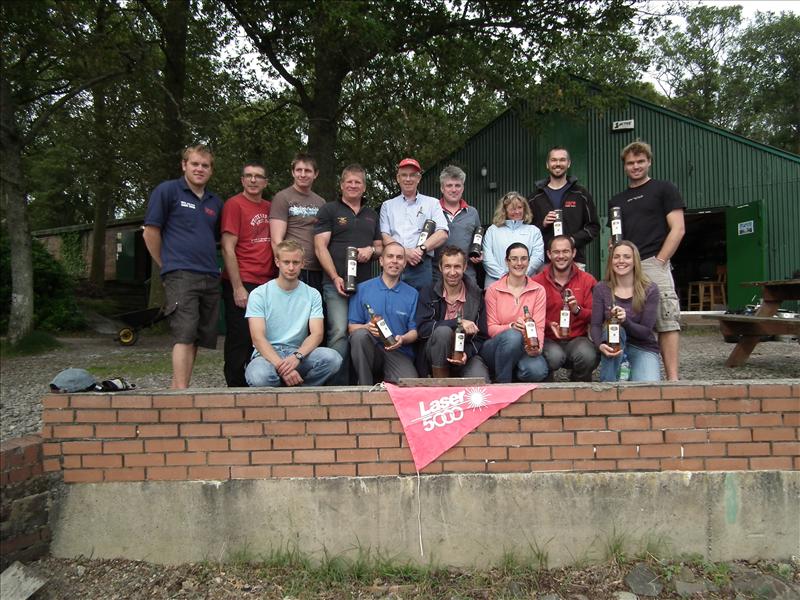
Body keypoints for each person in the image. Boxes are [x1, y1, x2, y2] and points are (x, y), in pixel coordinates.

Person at [143, 144, 222, 389]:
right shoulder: (167, 191)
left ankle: (182, 387)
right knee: (184, 333)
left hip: (209, 275)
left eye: (205, 165)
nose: (200, 169)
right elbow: (150, 232)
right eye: (195, 164)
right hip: (181, 274)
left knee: (197, 336)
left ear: (211, 170)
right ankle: (179, 394)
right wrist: (165, 264)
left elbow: (216, 238)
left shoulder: (215, 202)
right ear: (184, 165)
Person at [608, 141, 685, 380]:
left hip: (653, 261)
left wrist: (661, 260)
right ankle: (630, 370)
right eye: (630, 163)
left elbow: (678, 229)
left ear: (649, 162)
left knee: (666, 320)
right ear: (624, 167)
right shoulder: (616, 201)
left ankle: (673, 379)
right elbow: (616, 238)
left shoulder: (664, 189)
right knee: (625, 318)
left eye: (640, 161)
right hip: (625, 265)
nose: (636, 166)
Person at [314, 164, 383, 384]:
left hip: (365, 286)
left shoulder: (372, 214)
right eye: (349, 182)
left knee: (364, 332)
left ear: (364, 187)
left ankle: (359, 382)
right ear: (342, 185)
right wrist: (335, 277)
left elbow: (380, 247)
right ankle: (337, 387)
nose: (353, 185)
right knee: (339, 332)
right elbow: (319, 246)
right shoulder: (329, 210)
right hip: (336, 284)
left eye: (358, 182)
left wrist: (370, 251)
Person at [244, 240, 341, 387]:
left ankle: (302, 392)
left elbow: (317, 334)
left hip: (298, 352)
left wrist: (297, 356)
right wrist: (284, 368)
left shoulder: (312, 294)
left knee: (333, 359)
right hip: (266, 356)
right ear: (277, 262)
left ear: (303, 263)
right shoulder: (259, 294)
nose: (291, 267)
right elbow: (258, 338)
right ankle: (285, 393)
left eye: (295, 262)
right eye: (286, 262)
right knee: (259, 377)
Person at [220, 162, 276, 387]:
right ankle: (234, 388)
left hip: (267, 282)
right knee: (240, 339)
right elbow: (227, 247)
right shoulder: (234, 205)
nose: (253, 180)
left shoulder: (270, 207)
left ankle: (257, 385)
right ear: (242, 180)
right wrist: (237, 287)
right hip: (244, 282)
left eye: (258, 177)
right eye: (249, 176)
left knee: (262, 339)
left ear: (265, 182)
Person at [348, 241, 419, 385]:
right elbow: (351, 328)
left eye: (399, 257)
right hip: (371, 350)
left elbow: (414, 332)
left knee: (410, 385)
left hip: (398, 352)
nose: (394, 261)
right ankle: (364, 388)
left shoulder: (412, 294)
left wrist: (403, 339)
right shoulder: (362, 289)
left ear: (405, 263)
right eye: (390, 256)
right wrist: (367, 327)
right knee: (360, 336)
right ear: (381, 260)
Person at [416, 246, 490, 381]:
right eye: (447, 266)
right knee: (443, 331)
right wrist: (457, 322)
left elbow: (481, 337)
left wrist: (466, 354)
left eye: (457, 266)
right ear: (440, 267)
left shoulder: (476, 295)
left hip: (464, 353)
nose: (452, 272)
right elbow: (422, 329)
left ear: (465, 267)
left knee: (479, 380)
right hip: (433, 354)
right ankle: (440, 385)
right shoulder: (428, 292)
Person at [591, 240, 660, 382]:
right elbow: (595, 325)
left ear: (635, 261)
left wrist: (625, 321)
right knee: (615, 331)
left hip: (642, 346)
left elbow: (646, 332)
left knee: (649, 388)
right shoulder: (601, 288)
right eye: (616, 257)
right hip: (613, 346)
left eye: (627, 257)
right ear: (611, 261)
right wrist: (599, 345)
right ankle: (608, 388)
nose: (621, 261)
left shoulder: (650, 289)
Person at [532, 236, 599, 381]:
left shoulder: (587, 280)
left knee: (587, 355)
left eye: (565, 251)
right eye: (556, 252)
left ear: (573, 253)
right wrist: (549, 324)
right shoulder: (536, 282)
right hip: (547, 339)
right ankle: (547, 388)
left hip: (577, 338)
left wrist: (577, 310)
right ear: (549, 254)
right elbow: (529, 316)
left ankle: (579, 388)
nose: (561, 256)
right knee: (554, 357)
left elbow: (597, 316)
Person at [480, 242, 548, 383]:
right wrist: (511, 327)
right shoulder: (493, 290)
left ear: (529, 261)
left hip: (525, 346)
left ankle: (513, 374)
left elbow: (539, 326)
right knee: (513, 336)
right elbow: (490, 329)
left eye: (523, 259)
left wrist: (538, 348)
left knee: (537, 371)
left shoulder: (539, 290)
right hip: (495, 347)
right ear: (507, 261)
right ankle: (503, 385)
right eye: (514, 259)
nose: (519, 263)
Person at [379, 158, 448, 291]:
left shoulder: (432, 203)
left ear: (419, 178)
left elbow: (443, 233)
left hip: (421, 264)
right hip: (394, 263)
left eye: (412, 175)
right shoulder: (388, 206)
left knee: (422, 307)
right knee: (392, 306)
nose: (408, 179)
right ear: (398, 178)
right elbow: (384, 235)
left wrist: (420, 250)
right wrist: (405, 252)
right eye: (404, 175)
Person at [528, 146, 599, 269]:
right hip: (545, 262)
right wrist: (542, 224)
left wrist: (572, 240)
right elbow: (527, 231)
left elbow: (593, 227)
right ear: (547, 164)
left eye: (562, 160)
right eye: (554, 160)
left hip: (575, 260)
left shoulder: (581, 194)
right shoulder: (535, 198)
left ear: (568, 163)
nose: (558, 164)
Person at [270, 153, 326, 293]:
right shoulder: (282, 197)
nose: (303, 174)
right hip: (292, 268)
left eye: (307, 171)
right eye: (298, 170)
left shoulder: (321, 202)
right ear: (293, 172)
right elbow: (276, 240)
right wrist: (285, 267)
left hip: (316, 268)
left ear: (316, 174)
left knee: (313, 313)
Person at [433, 165, 483, 286]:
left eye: (457, 185)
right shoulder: (432, 211)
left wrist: (480, 254)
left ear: (463, 188)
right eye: (449, 185)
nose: (454, 189)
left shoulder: (472, 213)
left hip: (467, 276)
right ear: (442, 188)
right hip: (437, 277)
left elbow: (478, 241)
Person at [482, 192, 544, 288]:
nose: (517, 211)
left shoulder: (534, 231)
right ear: (505, 211)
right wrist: (505, 277)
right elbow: (487, 258)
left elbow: (538, 257)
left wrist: (519, 275)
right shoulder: (492, 230)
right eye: (512, 208)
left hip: (526, 284)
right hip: (495, 284)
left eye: (520, 207)